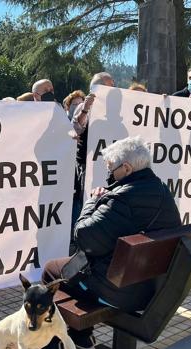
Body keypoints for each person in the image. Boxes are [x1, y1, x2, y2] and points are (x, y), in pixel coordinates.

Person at [42, 136, 181, 349]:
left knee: (51, 270)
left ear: (126, 168)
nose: (109, 173)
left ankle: (55, 341)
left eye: (110, 168)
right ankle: (81, 337)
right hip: (154, 287)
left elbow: (84, 238)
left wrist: (92, 202)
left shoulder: (122, 198)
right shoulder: (161, 189)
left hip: (122, 291)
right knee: (72, 267)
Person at [70, 73, 115, 239]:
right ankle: (84, 239)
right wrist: (86, 108)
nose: (113, 90)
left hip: (112, 167)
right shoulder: (84, 107)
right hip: (88, 166)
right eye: (108, 87)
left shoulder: (118, 107)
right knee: (89, 203)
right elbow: (76, 129)